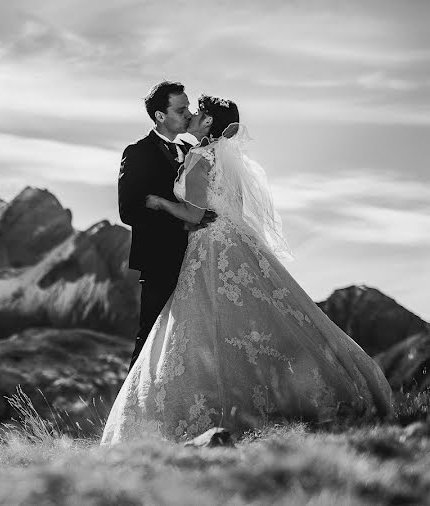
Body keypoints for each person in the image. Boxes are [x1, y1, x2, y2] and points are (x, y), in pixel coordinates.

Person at [102, 95, 394, 443]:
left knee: (206, 327)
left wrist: (162, 201)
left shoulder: (198, 155)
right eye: (185, 110)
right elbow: (228, 209)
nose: (192, 115)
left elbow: (196, 215)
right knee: (259, 319)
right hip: (235, 242)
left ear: (208, 122)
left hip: (207, 247)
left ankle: (193, 416)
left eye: (196, 111)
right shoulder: (225, 160)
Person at [117, 81, 215, 368]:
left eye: (189, 108)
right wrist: (182, 225)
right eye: (181, 109)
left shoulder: (195, 150)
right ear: (160, 115)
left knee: (195, 338)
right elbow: (130, 211)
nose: (189, 114)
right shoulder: (137, 152)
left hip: (198, 257)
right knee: (151, 336)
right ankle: (133, 409)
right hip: (159, 260)